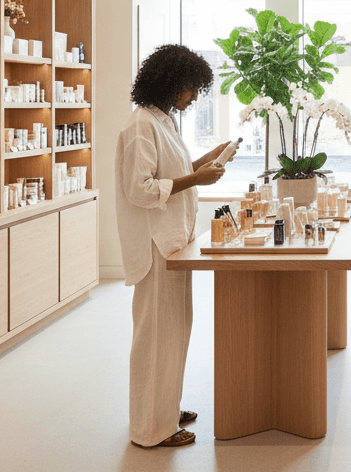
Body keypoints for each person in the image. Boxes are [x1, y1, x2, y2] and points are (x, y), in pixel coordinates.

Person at [116, 44, 230, 448]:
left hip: (173, 241)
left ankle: (164, 406)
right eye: (190, 88)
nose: (194, 97)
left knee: (175, 330)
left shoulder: (163, 122)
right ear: (169, 83)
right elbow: (141, 190)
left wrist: (205, 162)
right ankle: (150, 429)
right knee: (155, 335)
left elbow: (174, 173)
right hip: (155, 245)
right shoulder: (140, 126)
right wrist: (196, 180)